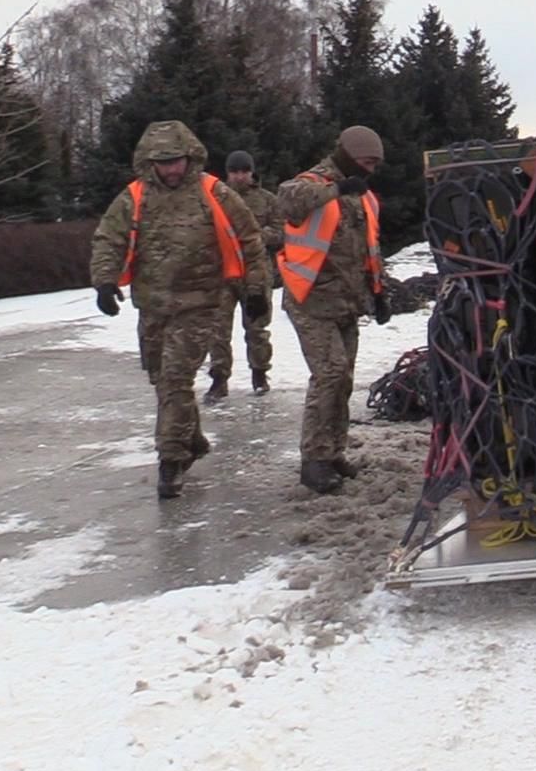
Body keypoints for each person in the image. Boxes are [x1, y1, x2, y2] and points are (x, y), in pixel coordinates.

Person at [89, 121, 271, 499]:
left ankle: (171, 460)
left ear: (190, 157)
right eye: (163, 161)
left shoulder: (214, 193)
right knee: (161, 379)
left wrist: (255, 289)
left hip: (200, 304)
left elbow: (250, 239)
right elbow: (109, 238)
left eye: (177, 160)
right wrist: (104, 281)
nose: (171, 168)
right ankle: (193, 439)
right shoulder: (134, 197)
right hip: (153, 306)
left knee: (175, 378)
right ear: (150, 161)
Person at [278, 125, 390, 495]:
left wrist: (380, 292)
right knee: (330, 374)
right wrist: (336, 190)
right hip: (310, 299)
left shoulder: (363, 197)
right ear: (348, 156)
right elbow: (287, 200)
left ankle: (333, 452)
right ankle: (313, 459)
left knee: (343, 380)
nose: (371, 170)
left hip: (346, 302)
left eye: (375, 164)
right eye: (366, 162)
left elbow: (370, 248)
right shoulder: (313, 183)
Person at [204, 150, 284, 401]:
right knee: (217, 330)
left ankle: (260, 374)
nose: (239, 177)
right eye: (234, 172)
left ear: (252, 172)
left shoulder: (267, 200)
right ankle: (219, 379)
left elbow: (281, 232)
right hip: (222, 272)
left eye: (244, 171)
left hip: (255, 272)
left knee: (257, 328)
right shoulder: (214, 198)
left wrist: (255, 236)